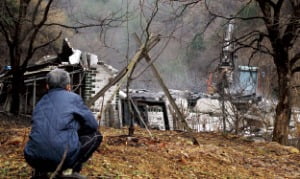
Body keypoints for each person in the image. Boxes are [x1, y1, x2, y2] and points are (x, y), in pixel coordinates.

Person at [24, 69, 102, 179]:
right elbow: (92, 125)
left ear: (47, 86)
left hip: (33, 158)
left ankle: (41, 171)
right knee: (96, 135)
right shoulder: (74, 98)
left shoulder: (40, 102)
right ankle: (70, 171)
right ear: (68, 86)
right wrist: (77, 130)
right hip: (63, 157)